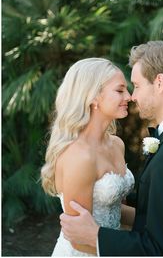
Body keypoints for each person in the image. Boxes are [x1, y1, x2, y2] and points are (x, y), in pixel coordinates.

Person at [60, 41, 163, 256]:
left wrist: (95, 235)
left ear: (160, 83)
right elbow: (159, 211)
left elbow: (159, 249)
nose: (132, 96)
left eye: (136, 85)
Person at [41, 57, 134, 256]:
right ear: (93, 97)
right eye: (119, 90)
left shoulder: (117, 145)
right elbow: (79, 239)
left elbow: (116, 210)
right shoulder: (79, 157)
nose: (129, 96)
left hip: (112, 245)